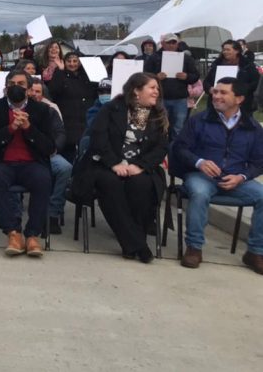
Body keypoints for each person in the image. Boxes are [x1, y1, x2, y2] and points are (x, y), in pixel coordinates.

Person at [170, 77, 263, 274]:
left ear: (239, 98)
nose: (216, 96)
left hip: (236, 180)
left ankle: (255, 252)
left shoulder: (252, 127)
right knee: (200, 193)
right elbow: (180, 148)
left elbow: (259, 161)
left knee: (262, 196)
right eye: (215, 92)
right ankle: (194, 248)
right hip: (201, 176)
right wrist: (199, 162)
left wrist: (242, 177)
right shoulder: (198, 120)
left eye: (223, 93)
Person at [73, 73, 168, 263]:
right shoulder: (112, 108)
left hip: (140, 167)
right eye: (152, 87)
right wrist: (114, 163)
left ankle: (130, 244)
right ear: (136, 90)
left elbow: (161, 148)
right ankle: (138, 245)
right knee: (109, 183)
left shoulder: (156, 114)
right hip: (106, 163)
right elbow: (98, 139)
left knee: (140, 185)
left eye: (157, 88)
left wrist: (139, 166)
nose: (156, 91)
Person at [0, 69, 58, 257]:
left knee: (43, 179)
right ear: (6, 88)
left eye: (21, 84)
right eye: (12, 84)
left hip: (31, 163)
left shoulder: (42, 110)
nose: (16, 87)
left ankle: (32, 235)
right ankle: (13, 232)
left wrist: (28, 129)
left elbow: (49, 147)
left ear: (29, 89)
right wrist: (10, 129)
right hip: (1, 162)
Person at [26, 77, 70, 234]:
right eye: (32, 91)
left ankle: (53, 213)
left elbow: (60, 133)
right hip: (26, 155)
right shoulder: (18, 109)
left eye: (38, 92)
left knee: (65, 168)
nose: (34, 94)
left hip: (48, 153)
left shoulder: (51, 110)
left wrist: (53, 149)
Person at [143, 33, 199, 140]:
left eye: (174, 42)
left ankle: (176, 150)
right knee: (160, 127)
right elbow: (144, 75)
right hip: (160, 98)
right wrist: (155, 77)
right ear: (163, 43)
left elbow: (195, 76)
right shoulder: (154, 58)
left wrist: (186, 76)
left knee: (178, 128)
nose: (171, 45)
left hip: (180, 99)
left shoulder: (186, 58)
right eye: (169, 42)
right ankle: (161, 150)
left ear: (177, 44)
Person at [47, 51, 97, 163]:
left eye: (75, 61)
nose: (72, 64)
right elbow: (53, 90)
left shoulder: (86, 76)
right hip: (68, 122)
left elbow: (95, 90)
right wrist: (60, 71)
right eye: (69, 61)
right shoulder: (60, 75)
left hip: (84, 121)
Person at [203, 40, 260, 114]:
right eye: (224, 50)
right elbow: (206, 81)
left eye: (228, 50)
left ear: (237, 51)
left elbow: (255, 82)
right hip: (218, 106)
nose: (225, 52)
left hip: (242, 105)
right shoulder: (216, 64)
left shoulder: (247, 65)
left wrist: (240, 89)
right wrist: (209, 89)